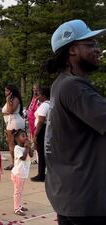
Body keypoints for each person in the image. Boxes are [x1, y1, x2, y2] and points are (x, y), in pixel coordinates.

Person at [43, 19, 106, 225]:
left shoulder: (61, 84)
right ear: (72, 50)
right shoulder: (74, 88)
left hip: (70, 196)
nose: (97, 49)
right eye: (90, 44)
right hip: (86, 201)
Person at [2, 84, 25, 170]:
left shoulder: (14, 99)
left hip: (14, 122)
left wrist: (8, 100)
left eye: (7, 90)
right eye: (5, 90)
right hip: (12, 121)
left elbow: (11, 111)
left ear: (11, 92)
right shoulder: (11, 99)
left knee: (12, 143)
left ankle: (14, 163)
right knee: (14, 143)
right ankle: (17, 162)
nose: (5, 92)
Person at [11, 129, 33, 216]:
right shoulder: (17, 148)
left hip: (23, 174)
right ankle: (16, 208)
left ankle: (19, 205)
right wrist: (27, 147)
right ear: (17, 138)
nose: (25, 137)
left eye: (26, 135)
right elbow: (23, 158)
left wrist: (29, 147)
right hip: (18, 174)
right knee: (17, 191)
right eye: (23, 136)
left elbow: (31, 155)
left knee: (20, 191)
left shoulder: (25, 147)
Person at [30, 86, 50, 182]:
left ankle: (41, 174)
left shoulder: (44, 106)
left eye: (39, 95)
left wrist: (35, 134)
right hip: (46, 129)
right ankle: (43, 173)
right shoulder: (49, 104)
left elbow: (41, 121)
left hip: (41, 130)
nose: (38, 97)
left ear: (44, 96)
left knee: (41, 153)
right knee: (43, 153)